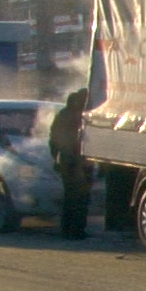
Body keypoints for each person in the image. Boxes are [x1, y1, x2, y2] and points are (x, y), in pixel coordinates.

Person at [50, 89, 91, 239]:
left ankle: (69, 229)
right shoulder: (77, 116)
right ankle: (75, 230)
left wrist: (56, 157)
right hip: (75, 162)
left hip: (71, 162)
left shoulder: (65, 114)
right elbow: (57, 138)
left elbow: (53, 139)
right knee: (78, 198)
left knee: (72, 198)